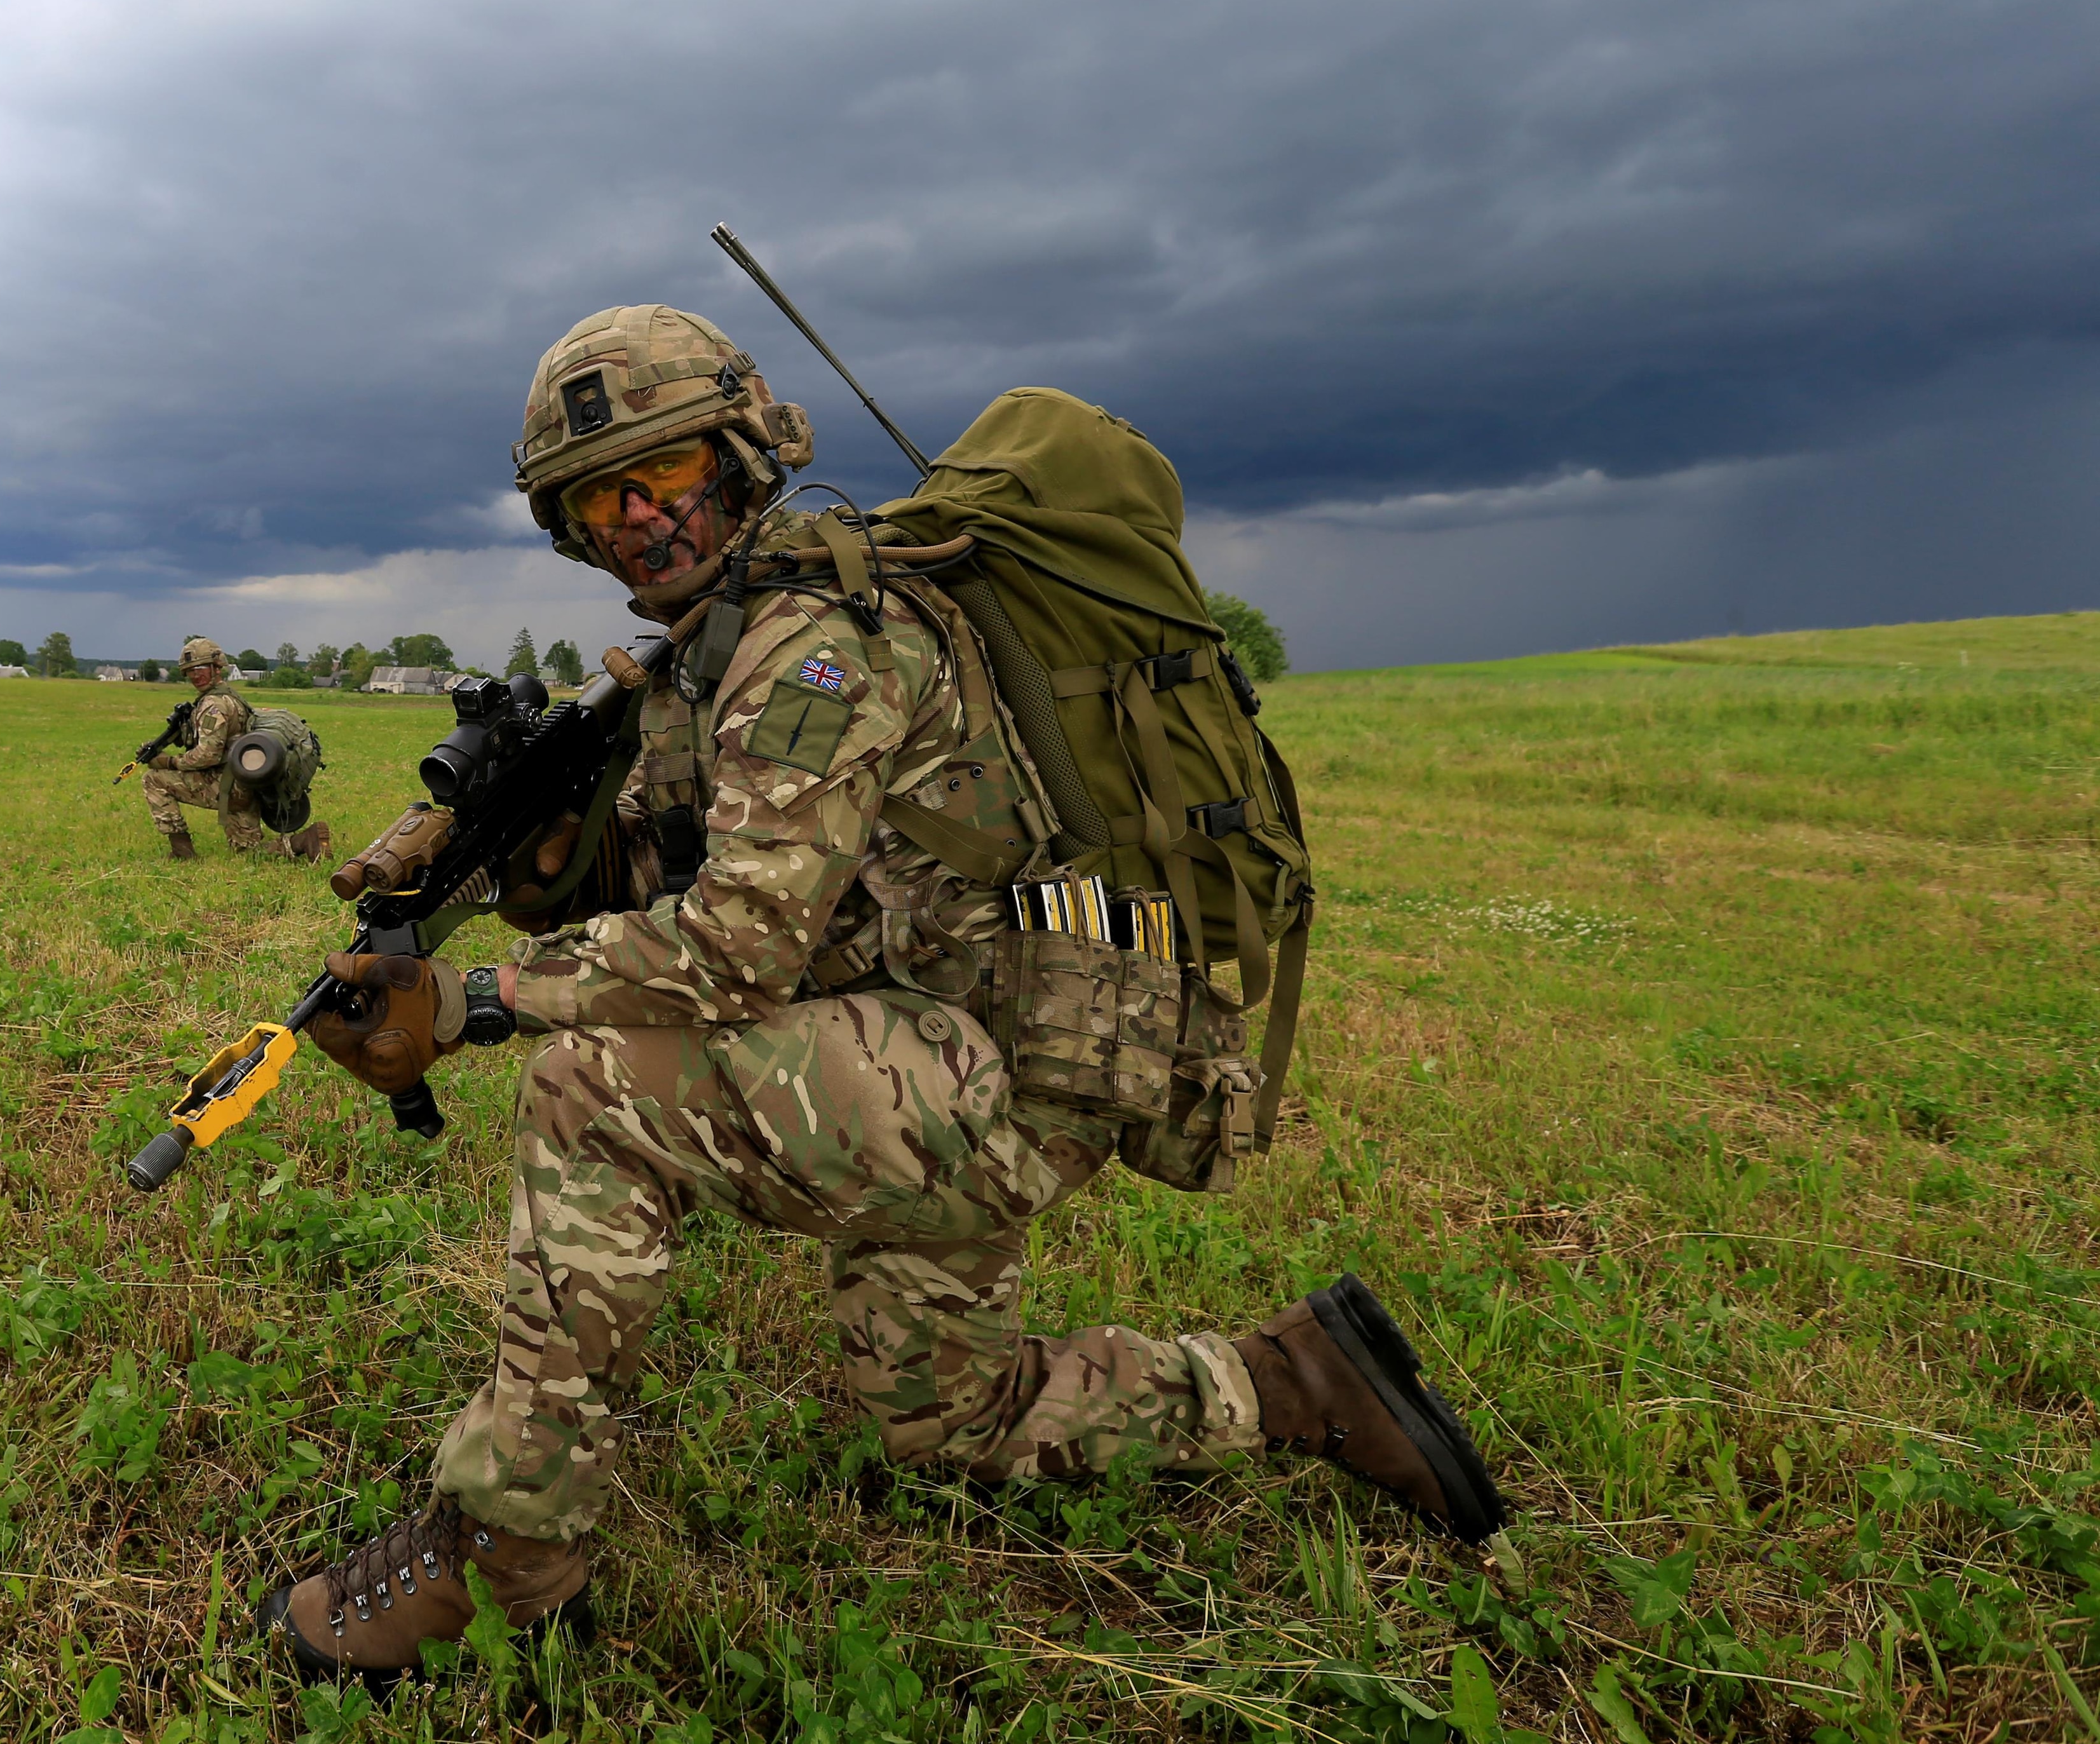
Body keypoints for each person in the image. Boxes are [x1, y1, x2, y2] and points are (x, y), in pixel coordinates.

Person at [260, 307, 1501, 1679]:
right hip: (964, 1050)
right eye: (600, 500)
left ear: (740, 455)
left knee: (591, 1090)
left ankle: (506, 1558)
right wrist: (560, 867)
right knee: (951, 1417)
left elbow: (737, 947)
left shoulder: (812, 641)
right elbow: (716, 882)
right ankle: (1292, 1383)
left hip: (982, 1069)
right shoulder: (725, 642)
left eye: (664, 477)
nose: (639, 521)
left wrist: (482, 993)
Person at [140, 635, 330, 862]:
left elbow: (207, 755)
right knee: (248, 855)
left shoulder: (213, 705)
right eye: (190, 670)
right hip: (247, 785)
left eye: (201, 668)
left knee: (153, 779)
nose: (195, 675)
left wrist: (168, 761)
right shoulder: (231, 697)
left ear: (216, 667)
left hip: (228, 787)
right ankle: (303, 842)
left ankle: (182, 852)